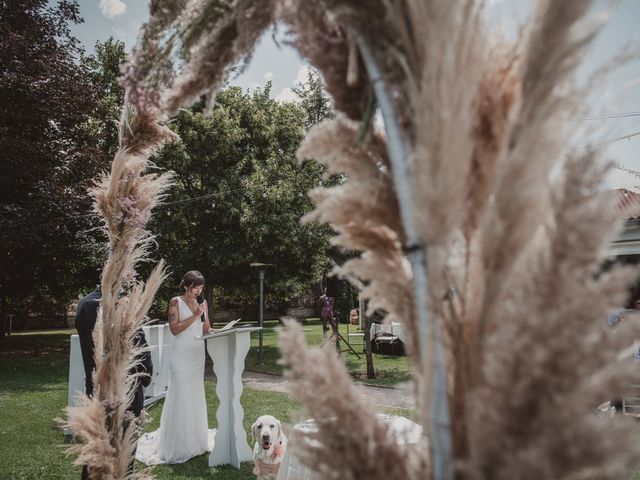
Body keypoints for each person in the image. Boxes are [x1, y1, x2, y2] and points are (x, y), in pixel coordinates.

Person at [136, 270, 214, 465]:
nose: (198, 291)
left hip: (197, 355)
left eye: (201, 287)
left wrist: (206, 316)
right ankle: (178, 444)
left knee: (194, 396)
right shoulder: (175, 302)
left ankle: (195, 441)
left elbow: (206, 329)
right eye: (196, 287)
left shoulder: (200, 304)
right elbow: (175, 329)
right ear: (186, 286)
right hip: (180, 356)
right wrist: (195, 315)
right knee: (180, 395)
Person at [74, 285, 153, 479]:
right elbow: (140, 346)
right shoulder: (123, 304)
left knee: (95, 451)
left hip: (97, 390)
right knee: (123, 453)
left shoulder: (84, 305)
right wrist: (145, 377)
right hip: (126, 391)